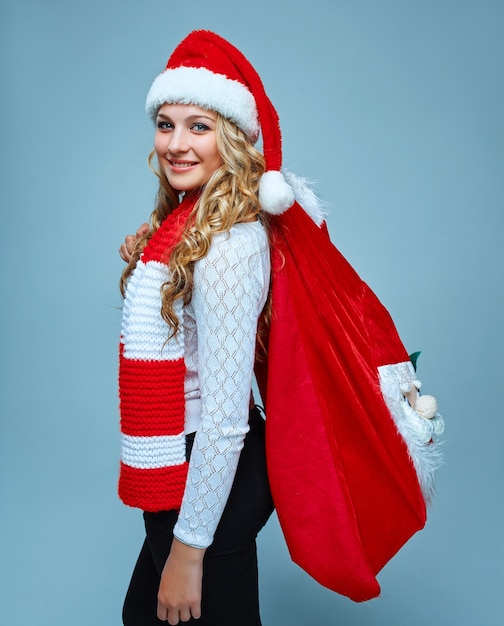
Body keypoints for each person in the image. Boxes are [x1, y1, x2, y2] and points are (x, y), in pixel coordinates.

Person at [117, 30, 444, 626]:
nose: (177, 143)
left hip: (209, 473)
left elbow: (222, 420)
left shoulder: (228, 248)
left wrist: (191, 552)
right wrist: (150, 255)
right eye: (166, 125)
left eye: (199, 126)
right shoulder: (192, 227)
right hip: (191, 469)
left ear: (234, 139)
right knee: (143, 617)